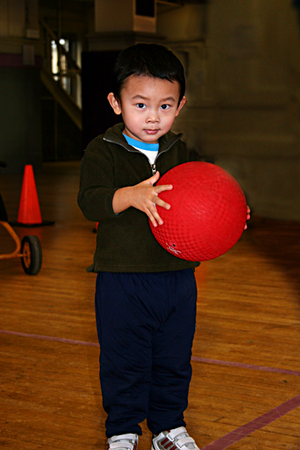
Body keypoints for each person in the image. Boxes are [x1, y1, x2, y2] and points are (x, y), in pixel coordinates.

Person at [78, 43, 203, 450]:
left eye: (165, 106)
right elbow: (90, 200)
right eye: (141, 104)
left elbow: (207, 197)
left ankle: (168, 428)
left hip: (177, 278)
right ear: (116, 103)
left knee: (173, 360)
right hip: (122, 280)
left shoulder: (182, 153)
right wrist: (127, 196)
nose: (153, 116)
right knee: (124, 362)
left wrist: (231, 213)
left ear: (180, 104)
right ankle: (124, 431)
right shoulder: (103, 151)